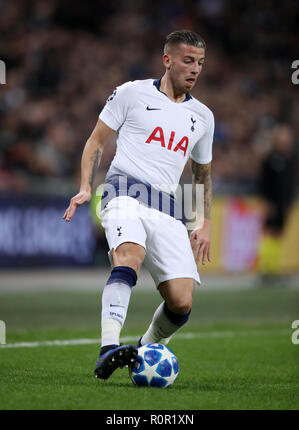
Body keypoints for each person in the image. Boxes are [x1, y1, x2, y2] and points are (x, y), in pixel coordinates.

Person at [63, 30, 214, 380]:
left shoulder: (203, 117)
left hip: (167, 207)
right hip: (123, 193)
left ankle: (143, 350)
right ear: (167, 60)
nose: (195, 69)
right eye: (188, 60)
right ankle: (108, 350)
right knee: (129, 255)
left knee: (181, 303)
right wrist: (86, 186)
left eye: (201, 63)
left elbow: (202, 173)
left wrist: (202, 221)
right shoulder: (131, 93)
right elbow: (96, 140)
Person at [257, 124, 298, 283]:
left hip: (284, 204)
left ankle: (274, 269)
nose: (285, 143)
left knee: (278, 236)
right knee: (270, 234)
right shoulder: (270, 161)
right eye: (282, 139)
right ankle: (266, 270)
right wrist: (266, 203)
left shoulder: (289, 160)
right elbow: (262, 185)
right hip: (273, 204)